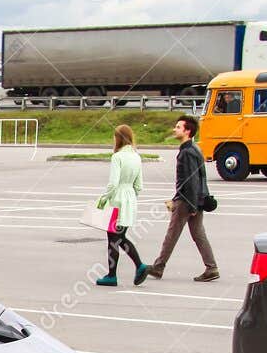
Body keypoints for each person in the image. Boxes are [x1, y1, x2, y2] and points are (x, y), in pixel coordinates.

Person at [151, 115, 219, 282]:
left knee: (172, 233)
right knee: (198, 234)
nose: (175, 130)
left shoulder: (187, 152)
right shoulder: (194, 148)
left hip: (187, 201)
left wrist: (190, 205)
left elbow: (191, 181)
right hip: (196, 199)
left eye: (178, 127)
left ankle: (159, 266)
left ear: (188, 131)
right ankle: (212, 268)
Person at [94, 124, 148, 287]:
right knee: (120, 237)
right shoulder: (136, 157)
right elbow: (139, 185)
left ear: (118, 138)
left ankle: (114, 274)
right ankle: (138, 267)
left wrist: (103, 198)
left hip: (116, 201)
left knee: (112, 238)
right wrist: (131, 197)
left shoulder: (117, 157)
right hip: (130, 199)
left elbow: (113, 183)